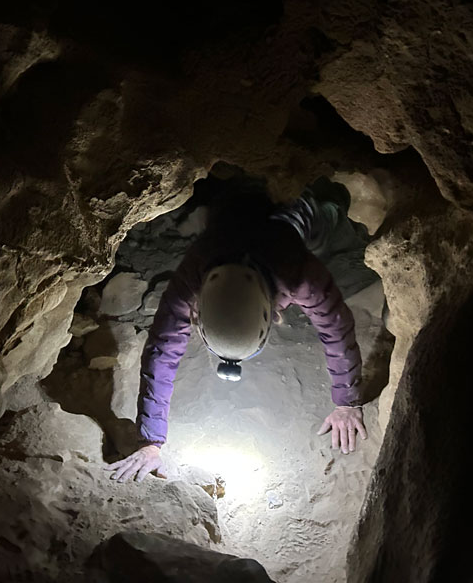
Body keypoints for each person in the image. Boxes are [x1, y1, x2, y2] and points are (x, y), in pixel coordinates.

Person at [104, 181, 376, 483]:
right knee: (231, 203)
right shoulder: (195, 272)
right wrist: (150, 440)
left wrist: (347, 401)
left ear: (273, 312)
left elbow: (337, 329)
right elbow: (162, 349)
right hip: (229, 216)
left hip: (286, 229)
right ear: (198, 307)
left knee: (322, 214)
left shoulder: (298, 273)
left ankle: (328, 195)